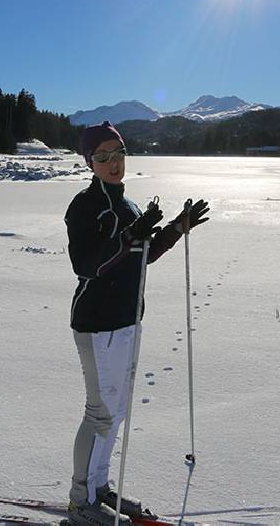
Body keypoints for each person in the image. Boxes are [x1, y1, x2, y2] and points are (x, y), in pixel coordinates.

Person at [64, 121, 209, 526]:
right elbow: (87, 266)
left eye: (118, 154)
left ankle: (99, 487)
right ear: (89, 161)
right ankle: (81, 501)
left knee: (117, 409)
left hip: (127, 320)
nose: (113, 163)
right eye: (103, 156)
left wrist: (175, 229)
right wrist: (128, 237)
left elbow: (140, 257)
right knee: (101, 414)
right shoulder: (85, 206)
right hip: (97, 323)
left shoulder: (126, 204)